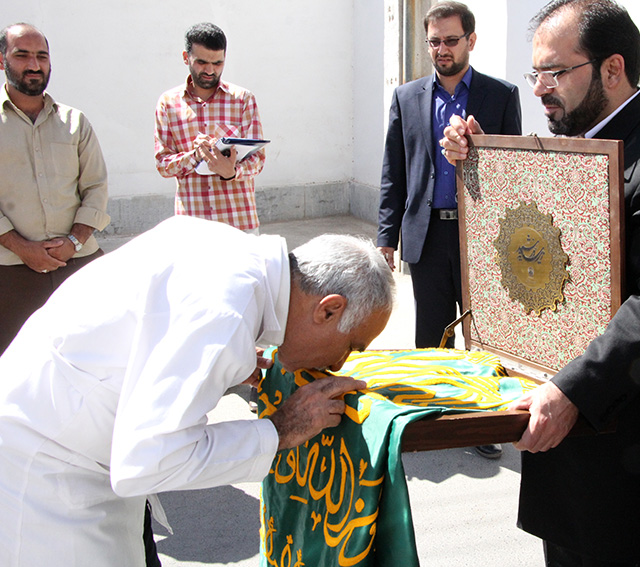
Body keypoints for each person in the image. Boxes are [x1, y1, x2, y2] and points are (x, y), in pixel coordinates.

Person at [443, 0, 640, 564]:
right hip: (555, 418)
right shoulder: (566, 149)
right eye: (535, 73)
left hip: (615, 436)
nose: (540, 88)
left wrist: (572, 390)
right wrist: (480, 160)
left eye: (555, 72)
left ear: (612, 69)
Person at [0, 215, 394, 567]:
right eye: (351, 346)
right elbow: (149, 462)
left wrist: (222, 362)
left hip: (51, 434)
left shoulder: (229, 254)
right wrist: (281, 429)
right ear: (328, 309)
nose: (339, 364)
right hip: (48, 483)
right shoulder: (225, 311)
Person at [377, 0, 521, 460]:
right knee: (432, 331)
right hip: (427, 234)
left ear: (471, 41)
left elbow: (513, 170)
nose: (442, 49)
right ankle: (432, 412)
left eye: (451, 40)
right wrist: (386, 238)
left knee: (483, 333)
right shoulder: (407, 97)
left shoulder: (501, 95)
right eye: (434, 41)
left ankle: (482, 421)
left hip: (480, 237)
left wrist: (480, 148)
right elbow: (394, 172)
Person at [0, 23, 110, 355]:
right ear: (2, 60)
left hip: (78, 266)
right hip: (11, 272)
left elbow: (96, 187)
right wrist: (22, 247)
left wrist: (74, 241)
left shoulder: (75, 122)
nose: (34, 65)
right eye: (22, 55)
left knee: (94, 359)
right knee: (17, 365)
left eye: (42, 56)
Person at [155, 22, 265, 234]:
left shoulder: (242, 100)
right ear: (186, 57)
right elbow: (163, 164)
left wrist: (232, 172)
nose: (210, 70)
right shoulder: (168, 104)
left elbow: (258, 159)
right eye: (202, 62)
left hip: (239, 224)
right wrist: (196, 156)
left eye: (217, 63)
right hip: (192, 227)